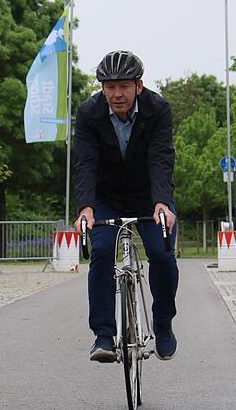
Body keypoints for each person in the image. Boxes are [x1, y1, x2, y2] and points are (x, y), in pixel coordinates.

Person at [73, 50, 179, 362]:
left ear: (139, 86)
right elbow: (85, 163)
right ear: (101, 88)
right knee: (103, 252)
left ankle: (162, 322)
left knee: (161, 253)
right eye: (109, 87)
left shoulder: (158, 109)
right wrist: (86, 208)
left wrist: (162, 203)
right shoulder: (89, 113)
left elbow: (161, 158)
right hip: (105, 197)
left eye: (123, 86)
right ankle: (103, 335)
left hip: (149, 194)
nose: (116, 94)